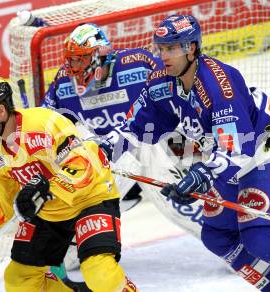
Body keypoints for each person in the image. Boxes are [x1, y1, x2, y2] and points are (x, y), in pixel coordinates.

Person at [100, 15, 270, 292]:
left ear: (191, 48)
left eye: (170, 48)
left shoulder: (219, 85)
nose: (163, 55)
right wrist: (106, 147)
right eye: (160, 48)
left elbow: (236, 150)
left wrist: (204, 174)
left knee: (261, 239)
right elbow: (137, 127)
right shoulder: (162, 80)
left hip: (262, 155)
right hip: (225, 159)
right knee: (217, 236)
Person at [0, 77, 137, 292]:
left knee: (99, 272)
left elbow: (83, 165)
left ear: (0, 111)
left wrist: (47, 189)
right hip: (48, 211)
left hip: (91, 198)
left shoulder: (45, 123)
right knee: (19, 279)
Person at [42, 24, 205, 241]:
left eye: (80, 59)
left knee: (177, 191)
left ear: (99, 56)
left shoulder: (138, 63)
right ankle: (71, 249)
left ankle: (222, 234)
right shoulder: (63, 82)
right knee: (82, 213)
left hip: (160, 138)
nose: (73, 67)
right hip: (111, 151)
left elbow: (181, 86)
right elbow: (46, 123)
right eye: (71, 60)